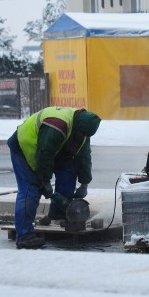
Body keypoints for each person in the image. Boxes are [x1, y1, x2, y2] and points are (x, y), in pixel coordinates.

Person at [7, 106, 101, 249]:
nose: (82, 137)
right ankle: (25, 236)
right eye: (81, 134)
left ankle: (60, 214)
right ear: (77, 127)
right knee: (31, 190)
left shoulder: (83, 131)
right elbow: (45, 153)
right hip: (25, 148)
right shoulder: (57, 124)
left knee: (69, 171)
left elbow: (84, 157)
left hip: (50, 149)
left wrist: (84, 184)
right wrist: (45, 181)